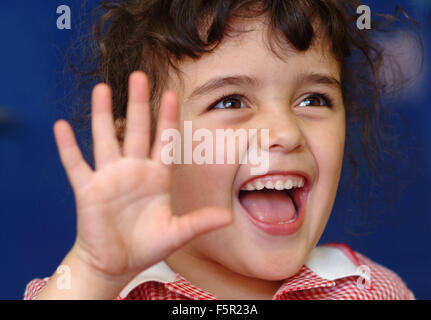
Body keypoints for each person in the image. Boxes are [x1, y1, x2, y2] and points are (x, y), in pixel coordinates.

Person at [24, 0, 419, 300]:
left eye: (314, 99)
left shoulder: (370, 288)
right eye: (231, 102)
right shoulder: (93, 289)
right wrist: (94, 272)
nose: (285, 131)